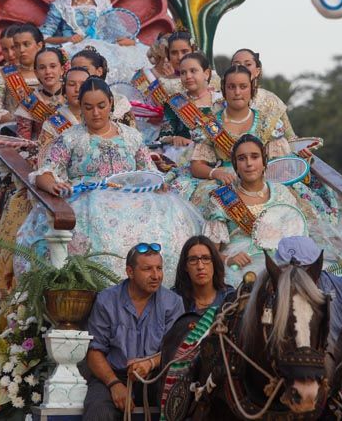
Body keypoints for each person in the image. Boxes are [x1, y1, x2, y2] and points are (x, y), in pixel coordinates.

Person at [21, 77, 203, 284]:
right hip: (88, 199)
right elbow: (46, 172)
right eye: (88, 107)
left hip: (134, 197)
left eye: (101, 106)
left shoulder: (131, 136)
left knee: (169, 218)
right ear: (80, 108)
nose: (96, 113)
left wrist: (158, 183)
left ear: (111, 104)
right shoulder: (71, 138)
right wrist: (52, 184)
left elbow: (148, 169)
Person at [203, 135, 342, 285]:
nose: (249, 163)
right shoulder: (223, 198)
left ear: (264, 161)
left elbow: (296, 234)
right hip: (242, 266)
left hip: (283, 259)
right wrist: (229, 260)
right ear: (235, 165)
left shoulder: (281, 193)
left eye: (254, 157)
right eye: (241, 158)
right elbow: (208, 251)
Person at [83, 243, 184, 420]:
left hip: (157, 375)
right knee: (99, 411)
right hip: (113, 375)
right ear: (130, 272)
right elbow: (94, 351)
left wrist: (151, 363)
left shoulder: (172, 302)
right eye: (147, 269)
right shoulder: (107, 300)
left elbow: (178, 350)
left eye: (159, 268)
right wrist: (114, 384)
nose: (156, 276)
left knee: (177, 404)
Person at [39, 0, 150, 85]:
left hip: (103, 48)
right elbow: (44, 37)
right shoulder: (60, 6)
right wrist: (67, 39)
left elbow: (118, 30)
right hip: (71, 50)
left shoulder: (103, 4)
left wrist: (129, 40)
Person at [274, 235, 342, 349]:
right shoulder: (274, 290)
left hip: (338, 358)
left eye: (303, 270)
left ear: (316, 266)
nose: (297, 277)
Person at [0, 23, 44, 125]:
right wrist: (21, 120)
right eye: (5, 50)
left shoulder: (49, 71)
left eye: (14, 47)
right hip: (14, 131)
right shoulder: (3, 74)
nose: (10, 54)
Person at [231, 48, 297, 140]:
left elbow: (291, 137)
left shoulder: (272, 101)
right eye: (237, 64)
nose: (242, 68)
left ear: (257, 71)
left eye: (248, 64)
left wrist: (301, 148)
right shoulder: (218, 100)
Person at [72, 48, 137, 128]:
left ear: (99, 71)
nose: (80, 74)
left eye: (85, 69)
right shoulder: (67, 101)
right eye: (74, 70)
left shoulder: (119, 104)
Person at [15, 47, 68, 140]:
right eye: (42, 68)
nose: (48, 72)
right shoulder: (30, 101)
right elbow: (23, 141)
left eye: (53, 66)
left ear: (62, 70)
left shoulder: (74, 95)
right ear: (36, 73)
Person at [172, 235, 233, 313]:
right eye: (193, 260)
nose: (200, 266)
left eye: (206, 258)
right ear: (185, 266)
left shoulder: (229, 298)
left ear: (214, 263)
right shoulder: (174, 299)